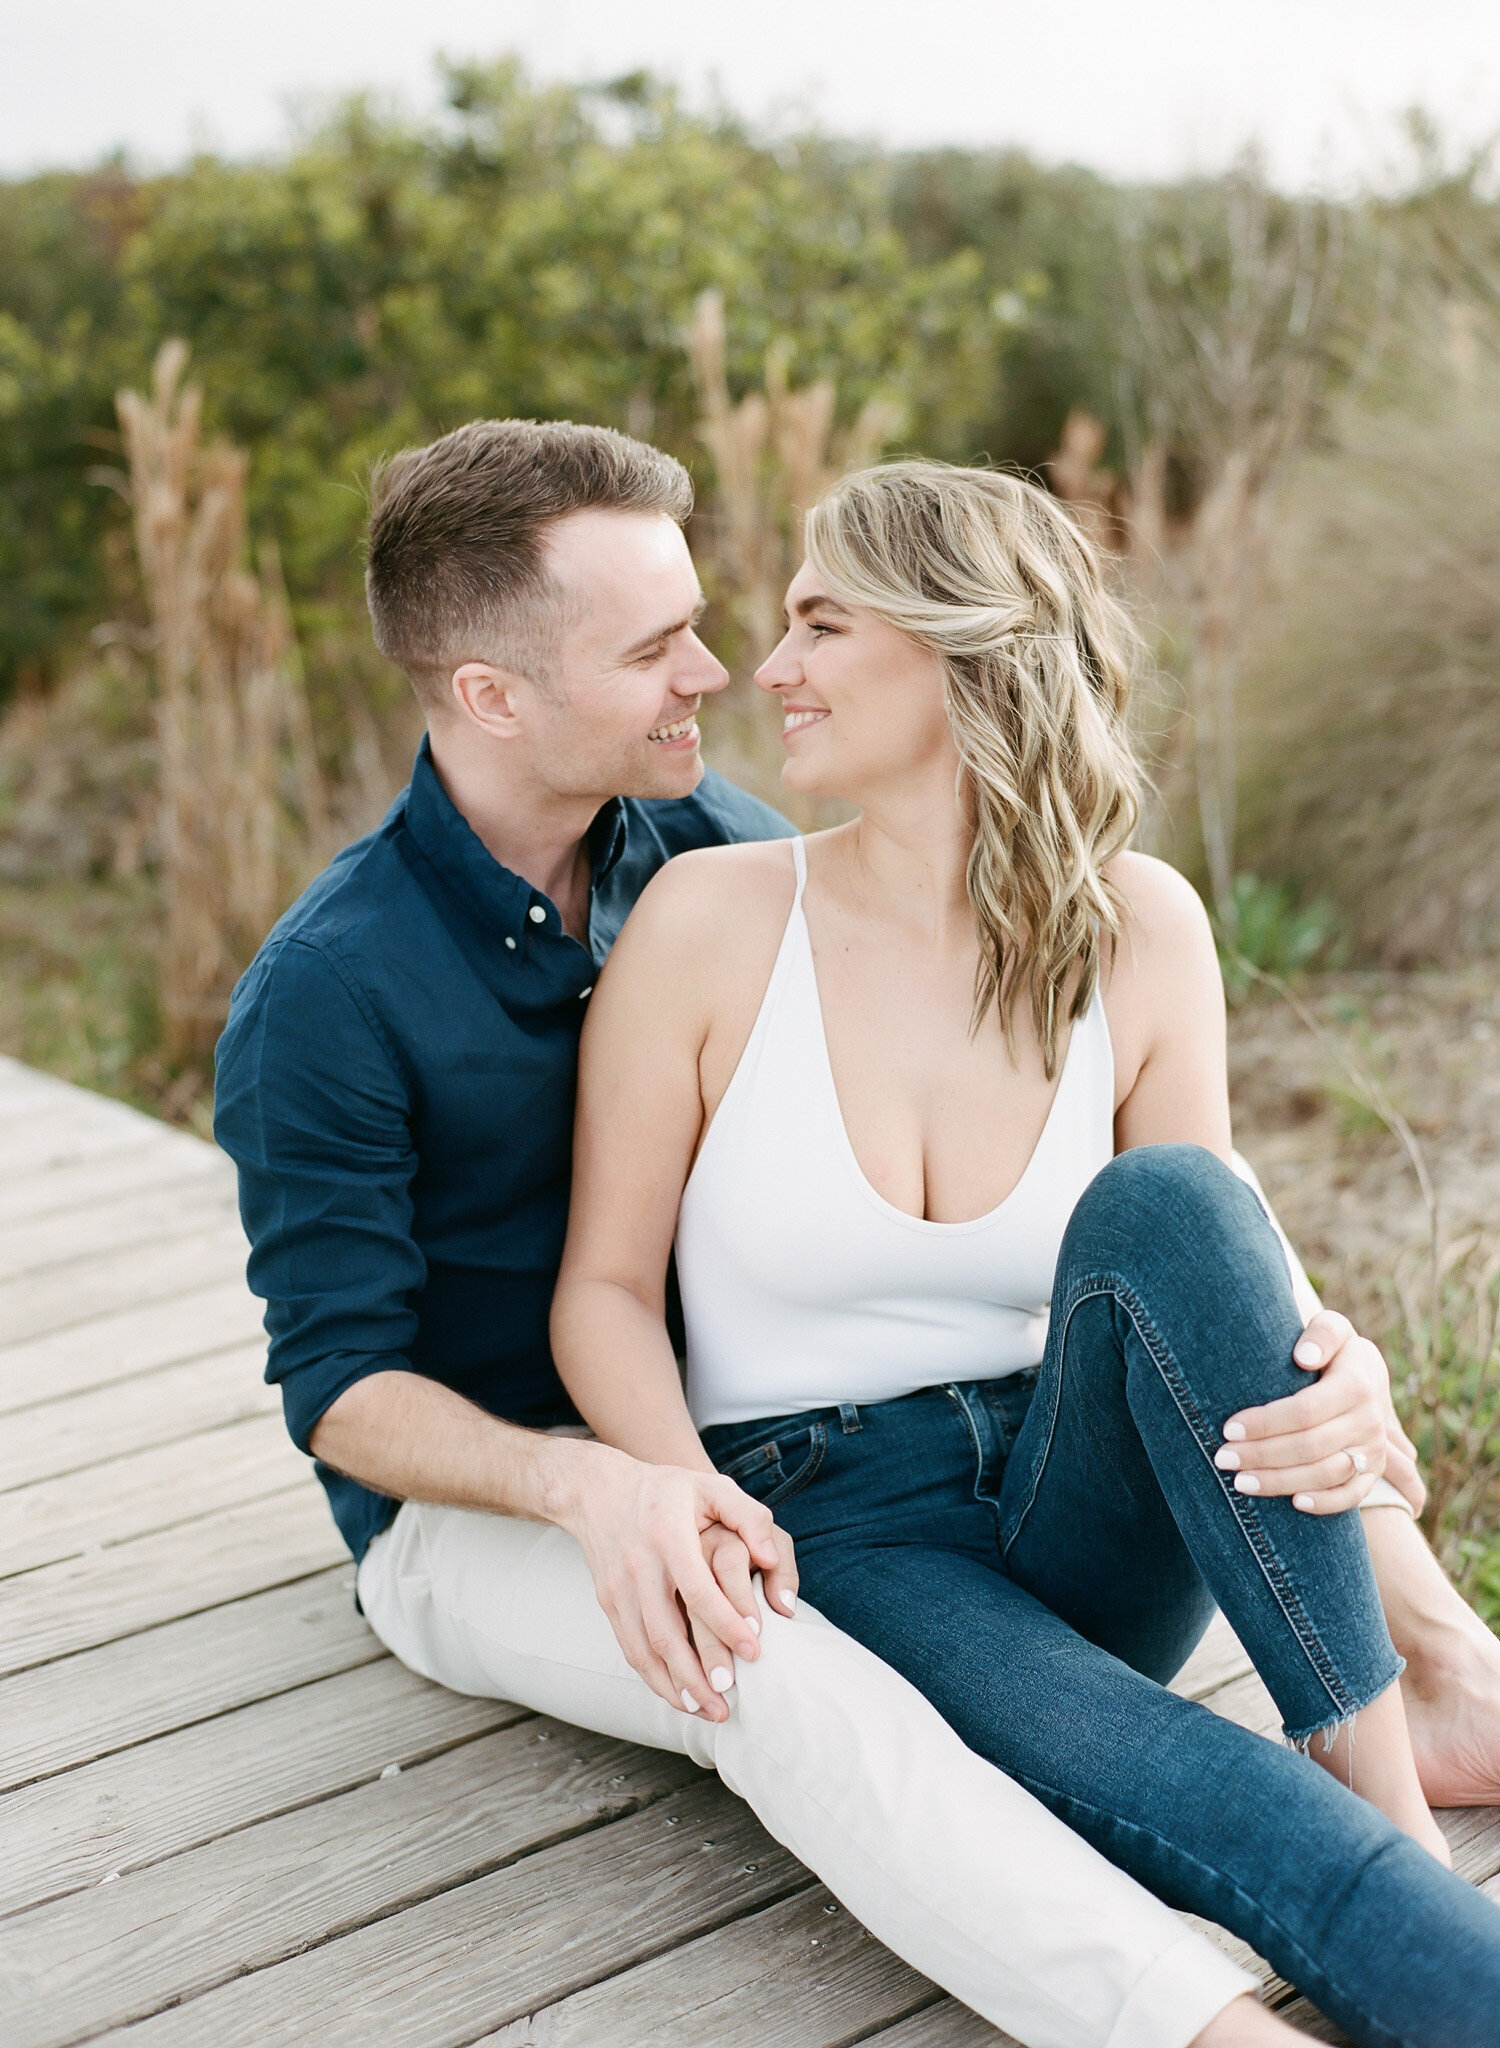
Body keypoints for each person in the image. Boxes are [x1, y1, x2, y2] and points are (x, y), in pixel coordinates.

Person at [214, 419, 1286, 2048]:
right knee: (769, 1674)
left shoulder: (711, 846)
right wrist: (603, 1485)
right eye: (654, 648)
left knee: (873, 1647)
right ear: (494, 696)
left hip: (741, 1452)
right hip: (479, 1503)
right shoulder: (327, 992)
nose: (715, 671)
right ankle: (1203, 2030)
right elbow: (342, 1391)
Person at [549, 458, 1500, 2048]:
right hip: (843, 1530)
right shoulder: (712, 922)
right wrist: (674, 1490)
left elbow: (1214, 1290)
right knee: (1228, 1803)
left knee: (1186, 1201)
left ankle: (1384, 1766)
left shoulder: (1140, 925)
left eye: (818, 622)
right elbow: (598, 1293)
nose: (768, 669)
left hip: (1084, 1495)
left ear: (958, 649)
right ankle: (1387, 1874)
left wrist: (1345, 1373)